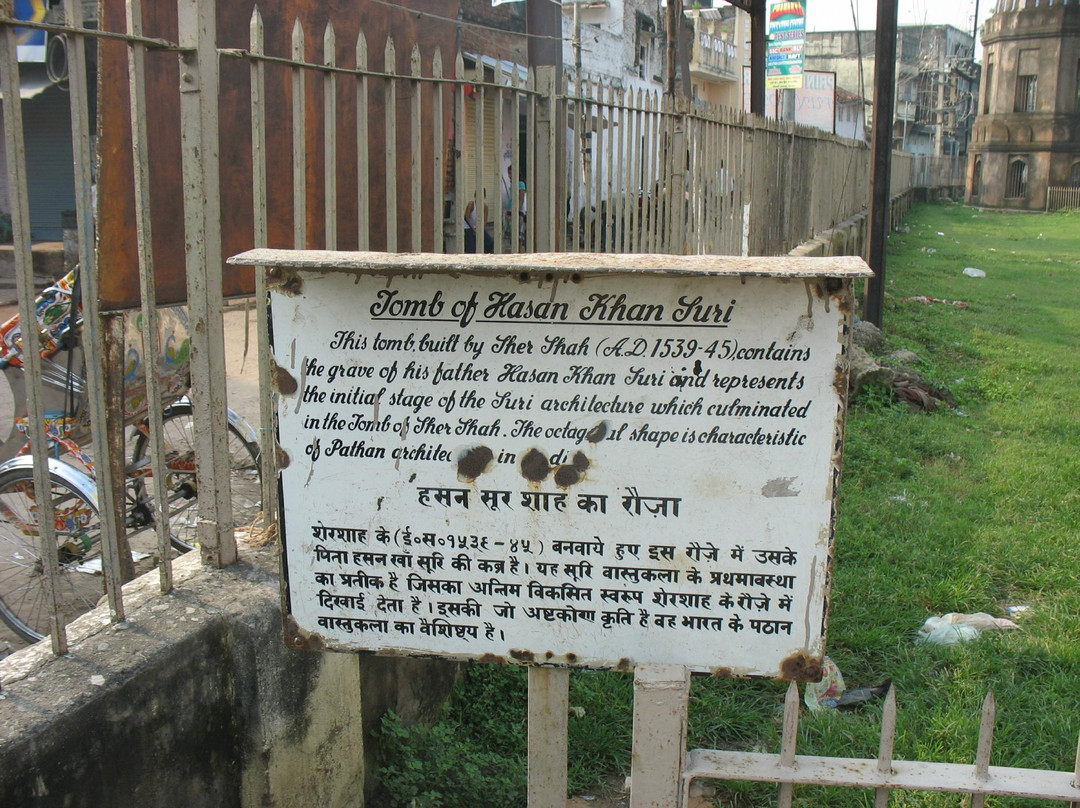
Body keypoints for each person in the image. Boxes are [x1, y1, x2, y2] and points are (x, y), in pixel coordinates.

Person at [501, 164, 526, 248]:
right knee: (512, 235)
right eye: (509, 173)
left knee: (518, 235)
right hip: (510, 210)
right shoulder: (512, 184)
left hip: (517, 212)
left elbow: (521, 199)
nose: (509, 176)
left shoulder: (521, 184)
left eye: (511, 173)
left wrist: (516, 211)